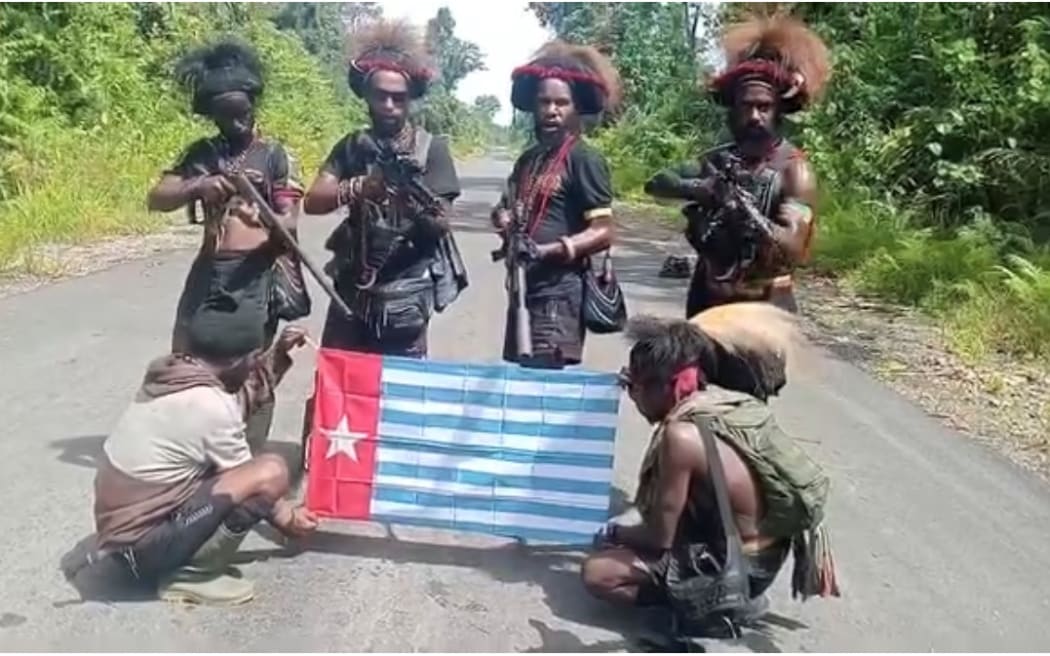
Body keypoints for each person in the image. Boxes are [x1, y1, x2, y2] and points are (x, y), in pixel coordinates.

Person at [582, 303, 839, 642]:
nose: (632, 396)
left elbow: (660, 536)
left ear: (673, 385)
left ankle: (703, 612)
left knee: (599, 572)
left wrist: (614, 533)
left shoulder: (681, 437)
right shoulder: (721, 403)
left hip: (734, 567)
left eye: (636, 386)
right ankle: (723, 600)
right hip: (762, 553)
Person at [77, 324, 319, 606]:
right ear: (236, 361)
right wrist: (290, 520)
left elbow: (240, 400)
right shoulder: (210, 405)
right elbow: (251, 476)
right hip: (141, 554)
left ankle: (182, 560)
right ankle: (192, 575)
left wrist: (277, 354)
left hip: (120, 544)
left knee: (229, 472)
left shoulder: (172, 376)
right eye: (253, 358)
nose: (255, 364)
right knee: (271, 471)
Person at [146, 39, 309, 453]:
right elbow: (158, 196)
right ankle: (191, 450)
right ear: (212, 114)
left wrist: (266, 213)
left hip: (257, 274)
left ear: (253, 106)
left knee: (250, 368)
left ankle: (245, 453)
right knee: (187, 359)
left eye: (242, 113)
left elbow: (290, 219)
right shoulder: (203, 153)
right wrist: (198, 184)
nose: (236, 124)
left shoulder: (275, 156)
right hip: (209, 271)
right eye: (224, 116)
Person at [644, 15, 831, 317]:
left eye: (764, 107)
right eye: (747, 106)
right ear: (733, 110)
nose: (755, 116)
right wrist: (701, 190)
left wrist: (743, 212)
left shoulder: (794, 171)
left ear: (778, 112)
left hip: (766, 308)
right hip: (706, 300)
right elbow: (657, 183)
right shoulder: (715, 161)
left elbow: (794, 248)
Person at [303, 18, 467, 359]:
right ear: (366, 96)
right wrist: (360, 187)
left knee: (399, 395)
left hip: (406, 291)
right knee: (340, 385)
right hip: (351, 287)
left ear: (410, 100)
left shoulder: (430, 149)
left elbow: (441, 224)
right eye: (381, 96)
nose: (390, 106)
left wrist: (408, 200)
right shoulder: (353, 146)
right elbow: (313, 201)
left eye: (398, 98)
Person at [490, 41, 621, 369]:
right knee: (524, 378)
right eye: (544, 102)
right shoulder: (528, 160)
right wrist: (504, 219)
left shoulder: (584, 159)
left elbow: (603, 231)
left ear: (576, 109)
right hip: (523, 288)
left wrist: (546, 251)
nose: (552, 110)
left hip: (560, 294)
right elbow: (505, 205)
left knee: (546, 384)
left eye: (561, 103)